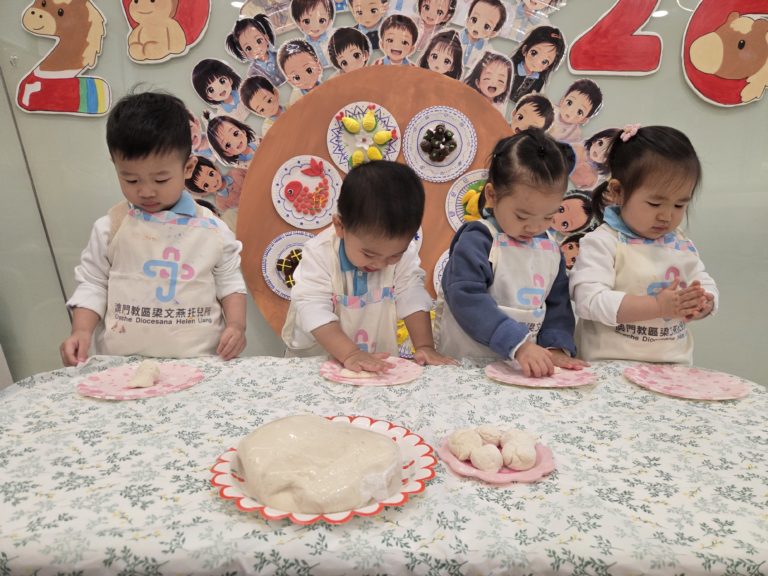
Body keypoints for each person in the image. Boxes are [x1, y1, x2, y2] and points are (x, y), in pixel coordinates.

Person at [60, 92, 247, 366]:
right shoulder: (111, 227)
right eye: (131, 179)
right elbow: (93, 283)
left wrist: (237, 326)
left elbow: (229, 282)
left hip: (200, 363)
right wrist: (81, 331)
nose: (146, 191)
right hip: (121, 367)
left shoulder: (213, 230)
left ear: (188, 168)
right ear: (116, 166)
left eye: (161, 179)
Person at [435, 129, 587, 377]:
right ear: (492, 195)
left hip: (519, 370)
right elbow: (466, 298)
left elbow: (557, 304)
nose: (534, 227)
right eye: (522, 216)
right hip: (467, 367)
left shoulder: (550, 248)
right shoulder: (478, 240)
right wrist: (518, 344)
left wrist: (555, 347)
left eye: (548, 217)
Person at [282, 161, 456, 373]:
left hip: (373, 360)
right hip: (316, 363)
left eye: (394, 255)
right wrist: (351, 354)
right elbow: (313, 308)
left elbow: (411, 294)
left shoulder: (404, 254)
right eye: (369, 254)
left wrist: (425, 346)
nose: (380, 264)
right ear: (340, 226)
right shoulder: (319, 254)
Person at [570, 125, 718, 364]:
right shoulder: (603, 243)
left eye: (679, 205)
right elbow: (589, 301)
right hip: (609, 366)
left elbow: (703, 281)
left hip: (672, 367)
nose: (666, 216)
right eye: (655, 204)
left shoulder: (681, 244)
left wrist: (703, 302)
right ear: (618, 191)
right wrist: (657, 306)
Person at [508, 25, 564, 102]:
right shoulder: (510, 68)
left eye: (545, 61)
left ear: (548, 67)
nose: (537, 62)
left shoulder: (539, 82)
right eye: (534, 53)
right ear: (524, 50)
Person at [225, 15, 285, 86]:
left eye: (259, 41)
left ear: (266, 37)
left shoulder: (282, 55)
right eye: (248, 48)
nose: (256, 48)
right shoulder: (252, 74)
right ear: (244, 53)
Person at [547, 78, 603, 143]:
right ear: (562, 100)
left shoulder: (575, 134)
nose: (570, 111)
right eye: (569, 103)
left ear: (584, 120)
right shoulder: (549, 109)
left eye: (579, 112)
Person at [459, 0, 506, 67]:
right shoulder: (454, 36)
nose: (477, 27)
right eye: (474, 19)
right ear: (467, 19)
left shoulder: (487, 51)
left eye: (486, 26)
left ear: (492, 33)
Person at [278, 39, 324, 105]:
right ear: (291, 82)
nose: (305, 78)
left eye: (309, 70)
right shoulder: (295, 99)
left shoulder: (329, 85)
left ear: (319, 66)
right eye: (297, 77)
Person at [290, 0, 335, 67]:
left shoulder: (335, 37)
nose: (315, 26)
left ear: (329, 20)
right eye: (307, 21)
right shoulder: (303, 47)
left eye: (321, 20)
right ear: (298, 23)